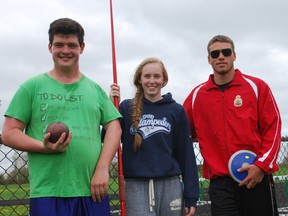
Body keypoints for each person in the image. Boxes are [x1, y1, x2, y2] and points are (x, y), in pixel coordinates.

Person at [2, 18, 122, 216]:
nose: (65, 50)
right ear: (50, 47)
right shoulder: (31, 87)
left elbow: (115, 126)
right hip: (48, 192)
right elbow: (9, 133)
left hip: (92, 191)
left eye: (72, 45)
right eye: (59, 44)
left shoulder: (95, 89)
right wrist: (44, 147)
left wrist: (102, 168)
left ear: (82, 47)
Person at [183, 35, 282, 216]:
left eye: (226, 52)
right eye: (215, 53)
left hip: (256, 178)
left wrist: (261, 166)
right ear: (209, 59)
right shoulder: (197, 95)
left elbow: (273, 128)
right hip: (221, 184)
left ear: (234, 55)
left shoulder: (257, 86)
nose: (221, 56)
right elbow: (182, 131)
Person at [109, 57, 199, 216]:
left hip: (170, 186)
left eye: (157, 76)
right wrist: (111, 107)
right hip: (136, 186)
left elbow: (186, 155)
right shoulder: (125, 107)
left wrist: (191, 196)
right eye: (147, 76)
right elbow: (108, 139)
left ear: (164, 80)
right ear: (140, 80)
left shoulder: (176, 110)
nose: (152, 81)